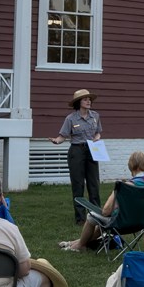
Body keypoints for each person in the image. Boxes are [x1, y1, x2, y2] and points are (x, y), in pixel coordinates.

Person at [58, 151, 144, 252]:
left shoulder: (127, 186)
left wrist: (115, 191)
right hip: (143, 222)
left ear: (132, 165)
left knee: (91, 217)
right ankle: (75, 243)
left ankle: (80, 245)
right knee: (100, 226)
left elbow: (105, 211)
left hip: (121, 223)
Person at [51, 89, 102, 224]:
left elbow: (98, 133)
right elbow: (63, 136)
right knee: (78, 185)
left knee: (94, 184)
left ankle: (97, 216)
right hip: (76, 152)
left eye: (89, 99)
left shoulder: (95, 116)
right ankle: (80, 219)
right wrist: (56, 141)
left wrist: (96, 139)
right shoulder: (71, 118)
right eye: (85, 99)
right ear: (79, 102)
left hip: (92, 150)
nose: (88, 101)